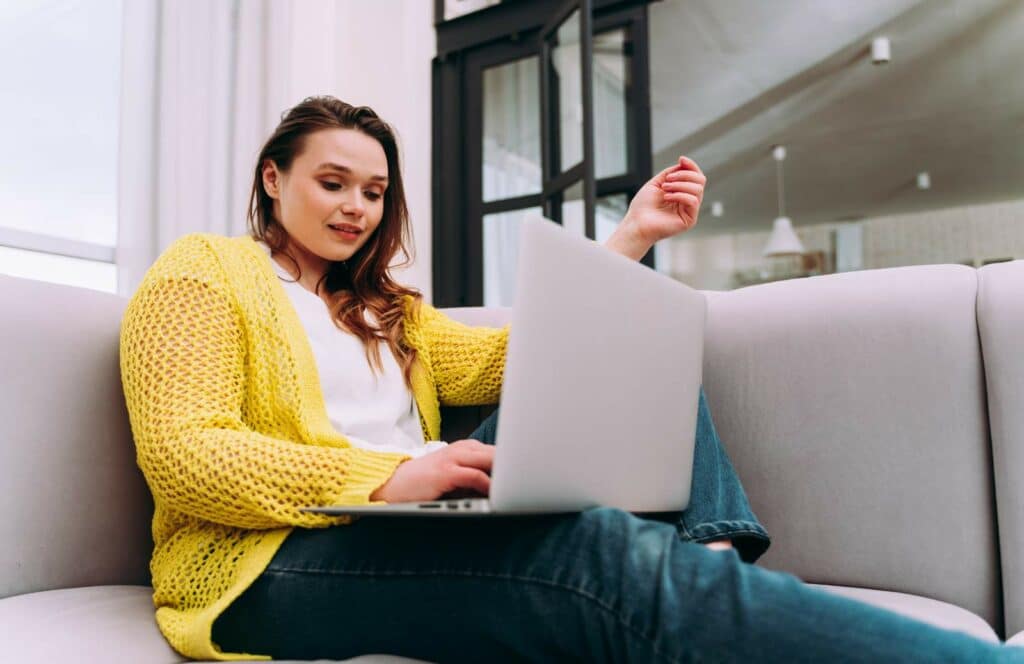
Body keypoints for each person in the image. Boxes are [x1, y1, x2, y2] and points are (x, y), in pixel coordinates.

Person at [119, 96, 1021, 662]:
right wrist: (389, 480)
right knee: (593, 548)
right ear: (273, 179)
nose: (357, 206)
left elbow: (538, 355)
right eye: (333, 182)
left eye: (375, 190)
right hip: (267, 565)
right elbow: (185, 456)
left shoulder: (388, 308)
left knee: (638, 357)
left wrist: (629, 239)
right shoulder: (204, 271)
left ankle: (702, 572)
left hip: (418, 507)